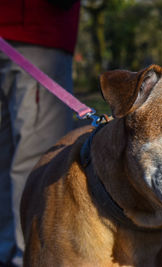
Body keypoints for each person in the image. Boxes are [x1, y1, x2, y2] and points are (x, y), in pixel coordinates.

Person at [0, 0, 80, 266]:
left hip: (19, 34)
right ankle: (26, 257)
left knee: (8, 157)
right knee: (40, 165)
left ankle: (10, 250)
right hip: (35, 29)